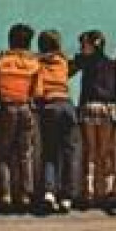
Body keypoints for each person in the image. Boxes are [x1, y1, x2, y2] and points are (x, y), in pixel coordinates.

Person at [0, 23, 40, 212]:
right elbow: (37, 92)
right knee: (25, 154)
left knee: (3, 154)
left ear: (10, 41)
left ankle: (6, 195)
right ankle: (26, 195)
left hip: (7, 108)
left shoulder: (2, 61)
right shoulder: (34, 64)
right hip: (26, 108)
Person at [33, 30, 79, 214]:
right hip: (67, 105)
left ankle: (49, 193)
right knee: (68, 153)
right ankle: (67, 197)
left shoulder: (38, 64)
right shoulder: (63, 61)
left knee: (50, 152)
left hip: (50, 106)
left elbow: (38, 90)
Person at [74, 30, 116, 211]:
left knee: (90, 150)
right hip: (108, 107)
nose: (81, 48)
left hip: (89, 106)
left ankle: (89, 189)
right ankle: (109, 189)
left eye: (84, 45)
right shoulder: (111, 63)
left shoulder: (84, 62)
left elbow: (75, 64)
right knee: (106, 150)